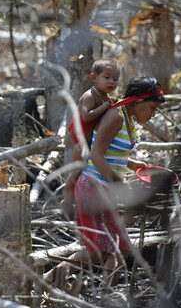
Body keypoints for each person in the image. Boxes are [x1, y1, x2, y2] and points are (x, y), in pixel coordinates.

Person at [47, 76, 165, 289]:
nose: (153, 114)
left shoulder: (126, 119)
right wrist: (118, 183)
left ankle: (47, 281)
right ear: (138, 102)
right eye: (152, 108)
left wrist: (131, 163)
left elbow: (109, 152)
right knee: (118, 248)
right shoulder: (116, 117)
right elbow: (96, 155)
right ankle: (104, 300)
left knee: (97, 251)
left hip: (98, 188)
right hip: (93, 187)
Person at [59, 58, 120, 220]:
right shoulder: (90, 95)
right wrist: (105, 107)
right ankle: (66, 200)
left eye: (115, 79)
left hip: (90, 140)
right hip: (80, 141)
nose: (111, 82)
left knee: (86, 172)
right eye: (107, 77)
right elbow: (86, 116)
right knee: (76, 172)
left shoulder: (103, 96)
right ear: (94, 77)